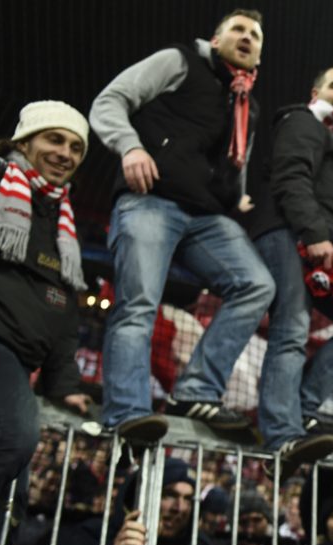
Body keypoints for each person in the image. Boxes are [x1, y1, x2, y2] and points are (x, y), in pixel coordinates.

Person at [89, 9, 275, 439]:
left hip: (207, 213)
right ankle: (127, 413)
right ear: (215, 39)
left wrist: (236, 194)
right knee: (138, 304)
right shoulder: (179, 60)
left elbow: (236, 158)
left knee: (257, 285)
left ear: (259, 56)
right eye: (238, 30)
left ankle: (195, 391)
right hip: (151, 199)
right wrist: (130, 147)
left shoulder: (246, 100)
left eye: (255, 35)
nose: (246, 38)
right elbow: (109, 101)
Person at [0, 100, 93, 545]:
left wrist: (64, 383)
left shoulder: (62, 223)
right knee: (13, 440)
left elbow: (64, 313)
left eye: (75, 147)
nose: (65, 153)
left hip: (19, 363)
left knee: (9, 508)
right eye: (54, 140)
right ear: (24, 142)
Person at [250, 66, 333, 469]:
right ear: (316, 91)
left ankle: (298, 408)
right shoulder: (303, 121)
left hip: (325, 241)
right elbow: (291, 178)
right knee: (291, 330)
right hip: (292, 232)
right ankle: (280, 435)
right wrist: (312, 234)